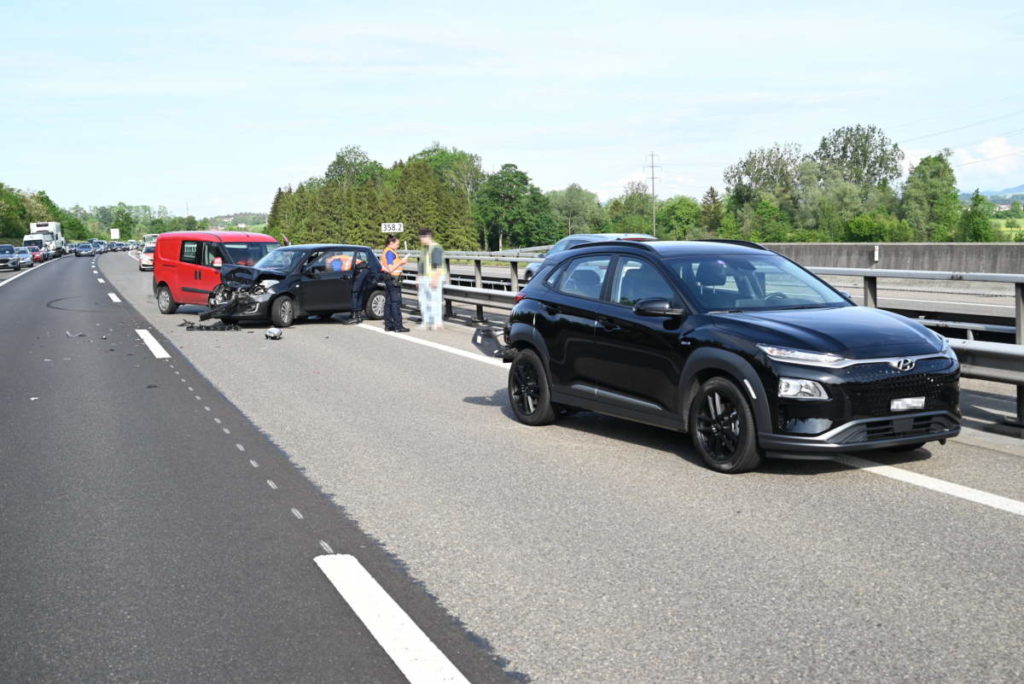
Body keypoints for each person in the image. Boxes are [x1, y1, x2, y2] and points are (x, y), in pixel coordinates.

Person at [417, 229, 446, 330]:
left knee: (435, 301)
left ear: (427, 236)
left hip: (433, 277)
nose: (420, 240)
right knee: (423, 300)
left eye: (421, 237)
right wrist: (418, 277)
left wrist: (435, 278)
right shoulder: (425, 249)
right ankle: (426, 321)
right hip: (424, 277)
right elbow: (421, 264)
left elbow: (438, 265)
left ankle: (437, 322)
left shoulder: (436, 248)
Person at [380, 235, 409, 332]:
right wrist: (401, 262)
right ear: (391, 243)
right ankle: (398, 326)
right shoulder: (389, 252)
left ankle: (388, 325)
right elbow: (390, 268)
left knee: (389, 302)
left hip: (391, 278)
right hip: (394, 278)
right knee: (396, 302)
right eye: (397, 244)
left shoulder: (386, 251)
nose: (398, 246)